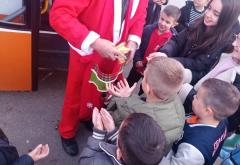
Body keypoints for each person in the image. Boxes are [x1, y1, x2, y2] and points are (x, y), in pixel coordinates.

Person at [49, 0, 148, 156]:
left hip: (116, 52)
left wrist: (134, 41)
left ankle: (89, 116)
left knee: (102, 91)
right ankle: (67, 131)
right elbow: (59, 14)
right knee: (76, 94)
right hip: (87, 51)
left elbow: (141, 13)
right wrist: (94, 42)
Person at [107, 57, 185, 153]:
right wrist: (129, 96)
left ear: (148, 88)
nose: (143, 78)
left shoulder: (132, 112)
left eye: (144, 77)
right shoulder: (177, 103)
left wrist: (119, 98)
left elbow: (112, 118)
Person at [157, 0, 240, 85]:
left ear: (226, 19)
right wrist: (165, 53)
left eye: (216, 14)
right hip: (170, 68)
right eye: (209, 8)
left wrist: (170, 62)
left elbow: (199, 65)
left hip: (183, 82)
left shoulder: (224, 44)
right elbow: (177, 41)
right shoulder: (198, 23)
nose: (208, 14)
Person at [161, 78, 240, 165]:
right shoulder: (221, 120)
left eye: (197, 97)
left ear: (208, 111)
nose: (194, 96)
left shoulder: (193, 151)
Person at [178, 32, 240, 133]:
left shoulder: (237, 82)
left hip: (200, 120)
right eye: (237, 38)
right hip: (193, 103)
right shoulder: (228, 56)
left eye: (239, 41)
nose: (234, 44)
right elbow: (205, 75)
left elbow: (218, 113)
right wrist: (186, 74)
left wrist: (185, 90)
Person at [79, 108, 166, 165]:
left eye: (119, 130)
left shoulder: (95, 162)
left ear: (119, 153)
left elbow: (84, 160)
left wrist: (98, 135)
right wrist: (112, 132)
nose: (117, 131)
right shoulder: (149, 159)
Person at [127, 5, 181, 88]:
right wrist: (137, 60)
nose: (163, 23)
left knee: (145, 91)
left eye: (167, 22)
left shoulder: (172, 40)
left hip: (152, 73)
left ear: (174, 24)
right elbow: (138, 46)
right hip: (138, 67)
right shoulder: (148, 29)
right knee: (129, 83)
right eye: (162, 19)